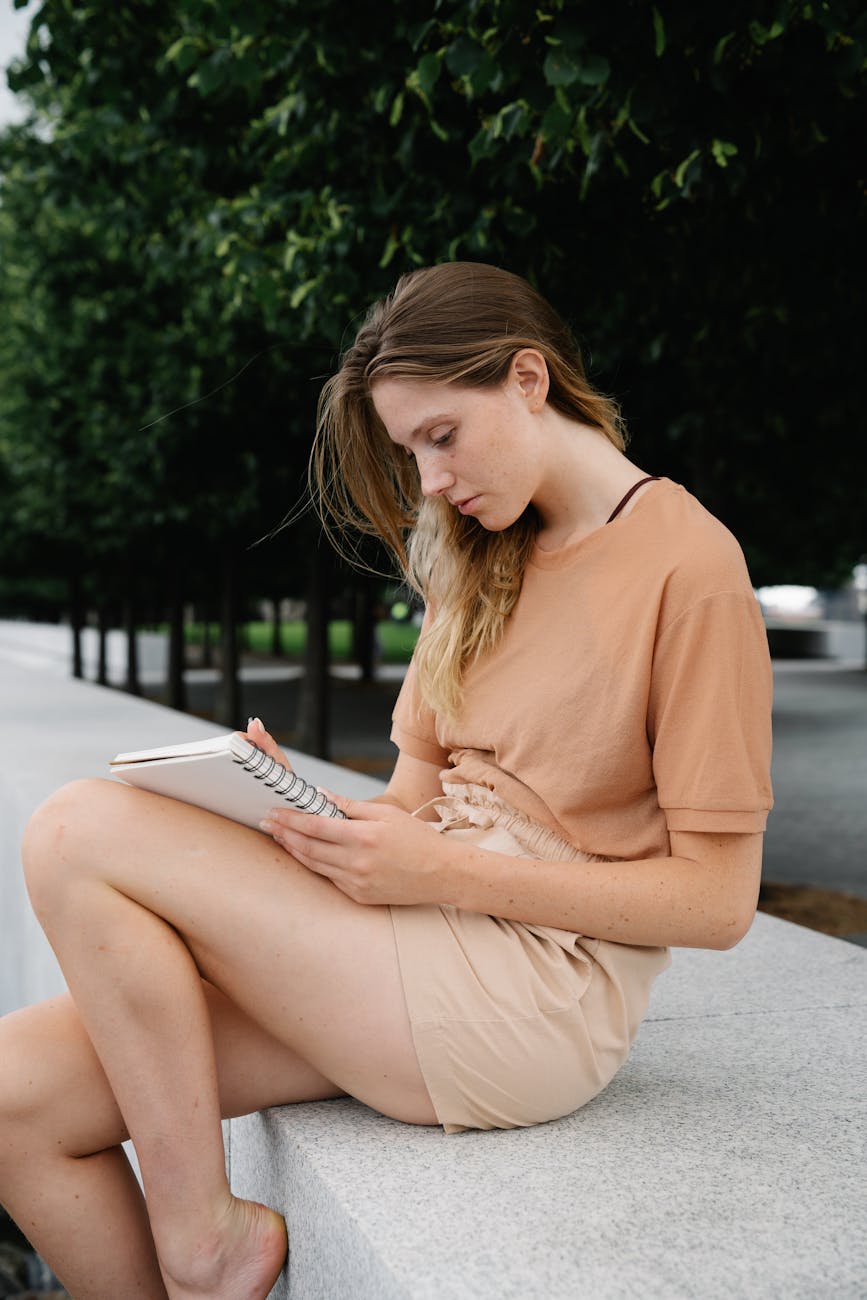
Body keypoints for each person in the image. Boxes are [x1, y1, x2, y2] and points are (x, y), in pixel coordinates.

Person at [0, 261, 773, 1299]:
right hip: (414, 946)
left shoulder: (692, 567)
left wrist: (441, 875)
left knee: (74, 828)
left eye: (441, 436)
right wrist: (278, 809)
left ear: (529, 380)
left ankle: (207, 1244)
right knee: (14, 1100)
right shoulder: (475, 556)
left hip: (534, 995)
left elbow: (718, 903)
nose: (431, 480)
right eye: (411, 450)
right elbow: (409, 814)